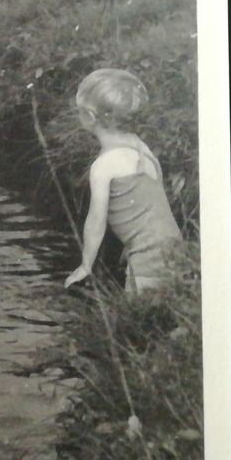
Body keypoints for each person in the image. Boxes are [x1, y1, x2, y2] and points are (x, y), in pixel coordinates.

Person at [63, 68, 183, 293]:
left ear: (89, 117)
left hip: (145, 258)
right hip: (173, 248)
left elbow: (96, 221)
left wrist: (85, 265)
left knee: (140, 317)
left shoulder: (103, 166)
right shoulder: (139, 145)